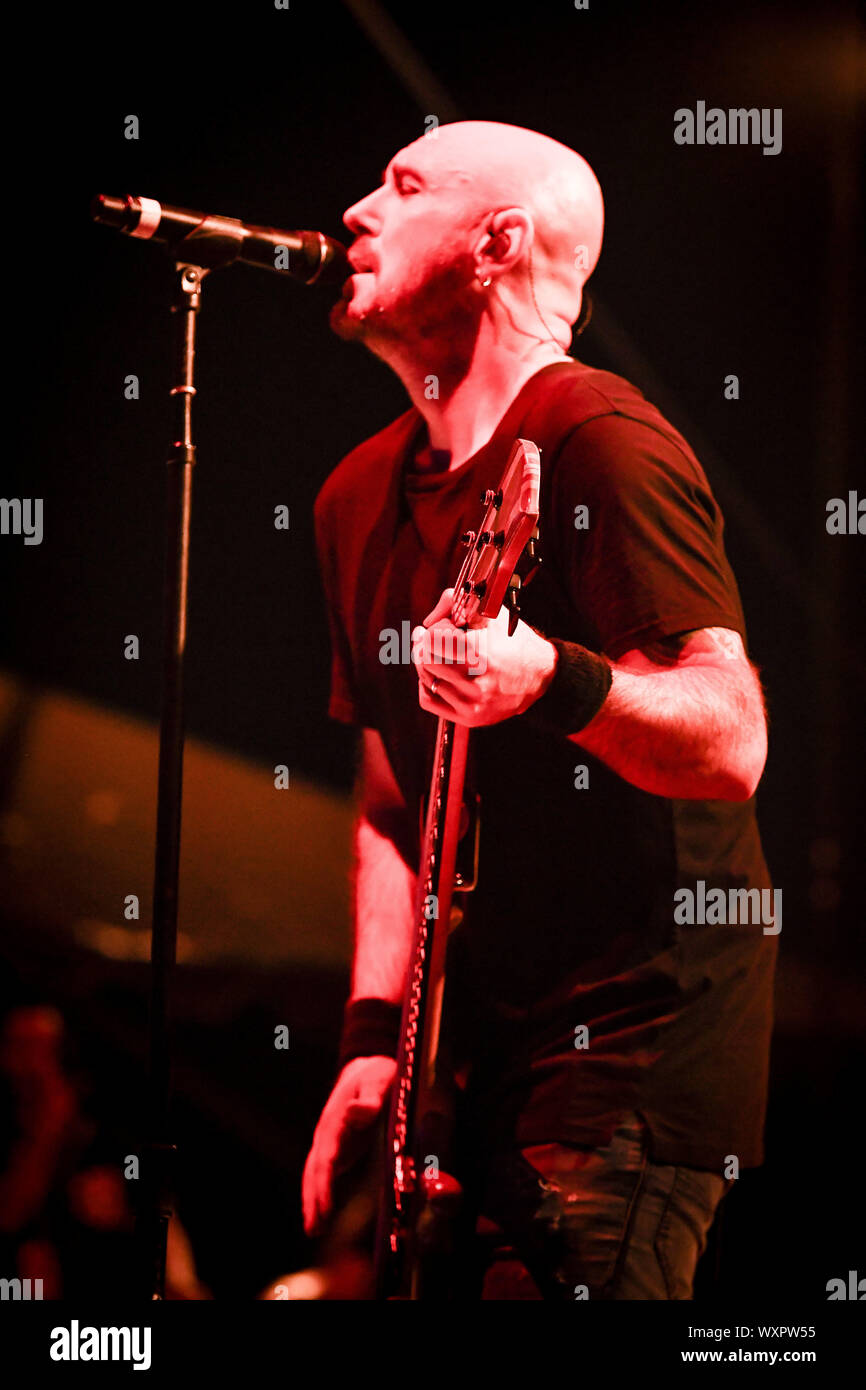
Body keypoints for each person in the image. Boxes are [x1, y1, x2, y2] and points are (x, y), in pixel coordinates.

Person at [302, 120, 777, 1300]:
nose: (358, 208)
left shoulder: (596, 440)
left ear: (495, 242)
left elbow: (731, 736)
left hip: (630, 1045)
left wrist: (550, 679)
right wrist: (372, 1040)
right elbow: (384, 812)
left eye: (402, 186)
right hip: (477, 1046)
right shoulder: (352, 495)